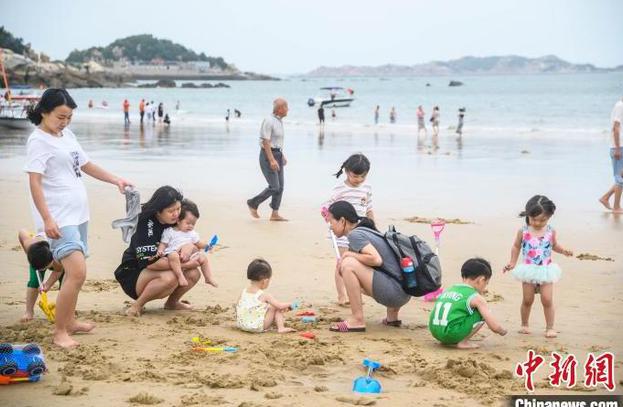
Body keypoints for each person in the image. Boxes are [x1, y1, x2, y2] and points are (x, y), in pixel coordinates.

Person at [25, 88, 132, 347]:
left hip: (79, 214)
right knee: (77, 272)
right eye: (60, 117)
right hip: (59, 217)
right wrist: (47, 219)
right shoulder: (38, 141)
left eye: (69, 117)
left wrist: (115, 180)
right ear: (44, 112)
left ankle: (70, 321)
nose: (65, 122)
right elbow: (35, 182)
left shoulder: (67, 135)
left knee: (75, 272)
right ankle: (60, 331)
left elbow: (85, 164)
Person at [114, 186, 206, 317]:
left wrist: (190, 245)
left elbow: (195, 244)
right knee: (171, 277)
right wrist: (186, 264)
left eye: (178, 209)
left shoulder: (176, 220)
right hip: (135, 272)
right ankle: (137, 305)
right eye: (171, 211)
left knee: (194, 274)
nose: (176, 214)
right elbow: (151, 263)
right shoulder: (145, 224)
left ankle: (172, 303)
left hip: (164, 264)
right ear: (158, 211)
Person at [326, 201, 411, 332]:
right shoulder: (366, 230)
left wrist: (348, 255)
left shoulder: (355, 235)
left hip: (393, 294)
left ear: (342, 221)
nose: (330, 227)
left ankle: (357, 319)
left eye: (331, 222)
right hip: (405, 292)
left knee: (347, 265)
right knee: (351, 264)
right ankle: (392, 318)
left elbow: (376, 260)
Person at [503, 195, 573, 338]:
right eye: (534, 219)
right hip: (528, 270)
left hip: (546, 270)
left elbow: (554, 245)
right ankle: (524, 324)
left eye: (542, 220)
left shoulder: (550, 231)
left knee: (547, 299)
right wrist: (512, 262)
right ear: (528, 214)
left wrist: (563, 251)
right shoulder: (523, 231)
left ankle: (550, 327)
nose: (537, 223)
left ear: (549, 217)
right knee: (527, 300)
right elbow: (516, 246)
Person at [322, 154, 374, 306]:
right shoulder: (340, 189)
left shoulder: (367, 188)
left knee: (357, 264)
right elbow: (328, 207)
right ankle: (342, 295)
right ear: (346, 171)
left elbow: (369, 209)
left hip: (360, 232)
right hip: (341, 232)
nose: (359, 180)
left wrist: (373, 228)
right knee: (343, 262)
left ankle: (355, 294)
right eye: (355, 176)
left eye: (363, 176)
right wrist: (326, 214)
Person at [429, 258, 507, 349]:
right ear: (481, 280)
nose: (485, 287)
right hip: (451, 334)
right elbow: (494, 327)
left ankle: (446, 339)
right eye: (486, 283)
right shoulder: (475, 297)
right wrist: (502, 331)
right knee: (482, 312)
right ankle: (463, 342)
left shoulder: (449, 289)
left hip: (435, 332)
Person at [155, 199, 217, 288]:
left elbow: (198, 243)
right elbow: (163, 243)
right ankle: (180, 276)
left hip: (188, 257)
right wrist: (160, 250)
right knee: (173, 255)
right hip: (174, 254)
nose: (190, 226)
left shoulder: (192, 233)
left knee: (203, 258)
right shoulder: (170, 231)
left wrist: (208, 246)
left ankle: (208, 277)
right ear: (178, 220)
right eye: (188, 223)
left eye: (193, 224)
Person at [246, 98, 289, 221]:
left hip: (277, 154)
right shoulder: (269, 120)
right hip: (267, 155)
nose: (288, 109)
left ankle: (275, 214)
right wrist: (271, 160)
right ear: (280, 109)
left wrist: (281, 155)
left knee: (280, 187)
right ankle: (253, 203)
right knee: (274, 186)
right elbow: (266, 141)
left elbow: (276, 141)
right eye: (286, 107)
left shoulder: (279, 121)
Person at [236, 258, 296, 333]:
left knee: (263, 307)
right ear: (265, 281)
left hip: (241, 325)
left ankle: (247, 321)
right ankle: (281, 328)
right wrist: (291, 304)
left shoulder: (243, 292)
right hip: (257, 327)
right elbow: (279, 306)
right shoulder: (265, 295)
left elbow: (238, 305)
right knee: (274, 307)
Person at [17, 229, 64, 322]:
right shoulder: (29, 245)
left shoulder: (57, 253)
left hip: (57, 260)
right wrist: (28, 254)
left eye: (44, 268)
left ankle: (65, 308)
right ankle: (29, 311)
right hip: (36, 256)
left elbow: (58, 271)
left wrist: (48, 285)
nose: (41, 270)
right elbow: (22, 232)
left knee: (65, 281)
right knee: (34, 282)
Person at [599, 97, 623, 213]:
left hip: (621, 146)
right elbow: (615, 128)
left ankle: (605, 198)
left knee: (621, 177)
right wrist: (617, 148)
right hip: (619, 147)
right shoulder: (620, 106)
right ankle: (616, 207)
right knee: (620, 178)